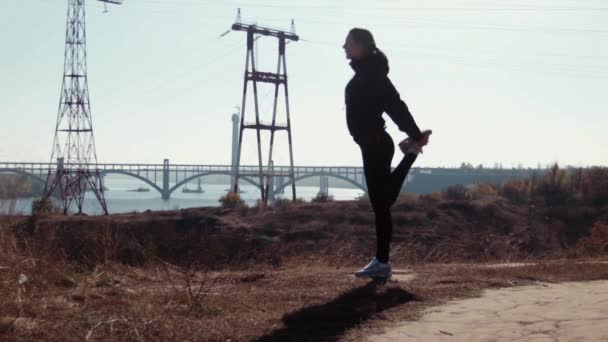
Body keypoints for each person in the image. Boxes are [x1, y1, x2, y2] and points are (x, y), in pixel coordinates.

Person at [343, 28, 431, 279]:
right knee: (382, 203)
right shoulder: (366, 73)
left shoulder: (373, 75)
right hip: (370, 144)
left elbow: (396, 106)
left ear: (361, 45)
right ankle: (381, 263)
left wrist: (414, 133)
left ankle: (382, 263)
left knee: (381, 203)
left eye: (348, 43)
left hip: (377, 144)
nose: (344, 47)